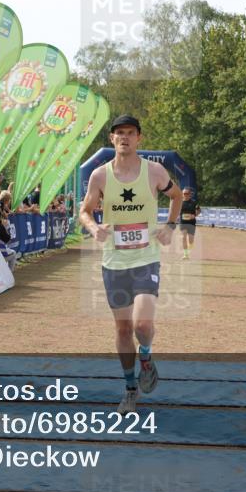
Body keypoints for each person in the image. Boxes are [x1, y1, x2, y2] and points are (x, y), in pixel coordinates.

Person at [79, 115, 182, 414]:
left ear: (139, 138)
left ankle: (146, 359)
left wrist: (170, 226)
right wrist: (93, 227)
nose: (124, 137)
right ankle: (129, 389)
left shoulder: (154, 171)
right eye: (119, 133)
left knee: (143, 325)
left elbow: (176, 196)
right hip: (113, 263)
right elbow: (84, 211)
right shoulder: (100, 175)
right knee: (124, 331)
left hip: (145, 259)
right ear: (112, 139)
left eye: (130, 133)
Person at [178, 188, 200, 260]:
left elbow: (199, 210)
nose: (185, 195)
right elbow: (176, 210)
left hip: (191, 223)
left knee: (191, 240)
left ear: (190, 194)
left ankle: (189, 251)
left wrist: (195, 215)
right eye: (184, 193)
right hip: (183, 222)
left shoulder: (194, 202)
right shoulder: (180, 202)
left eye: (187, 193)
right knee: (183, 237)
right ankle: (185, 255)